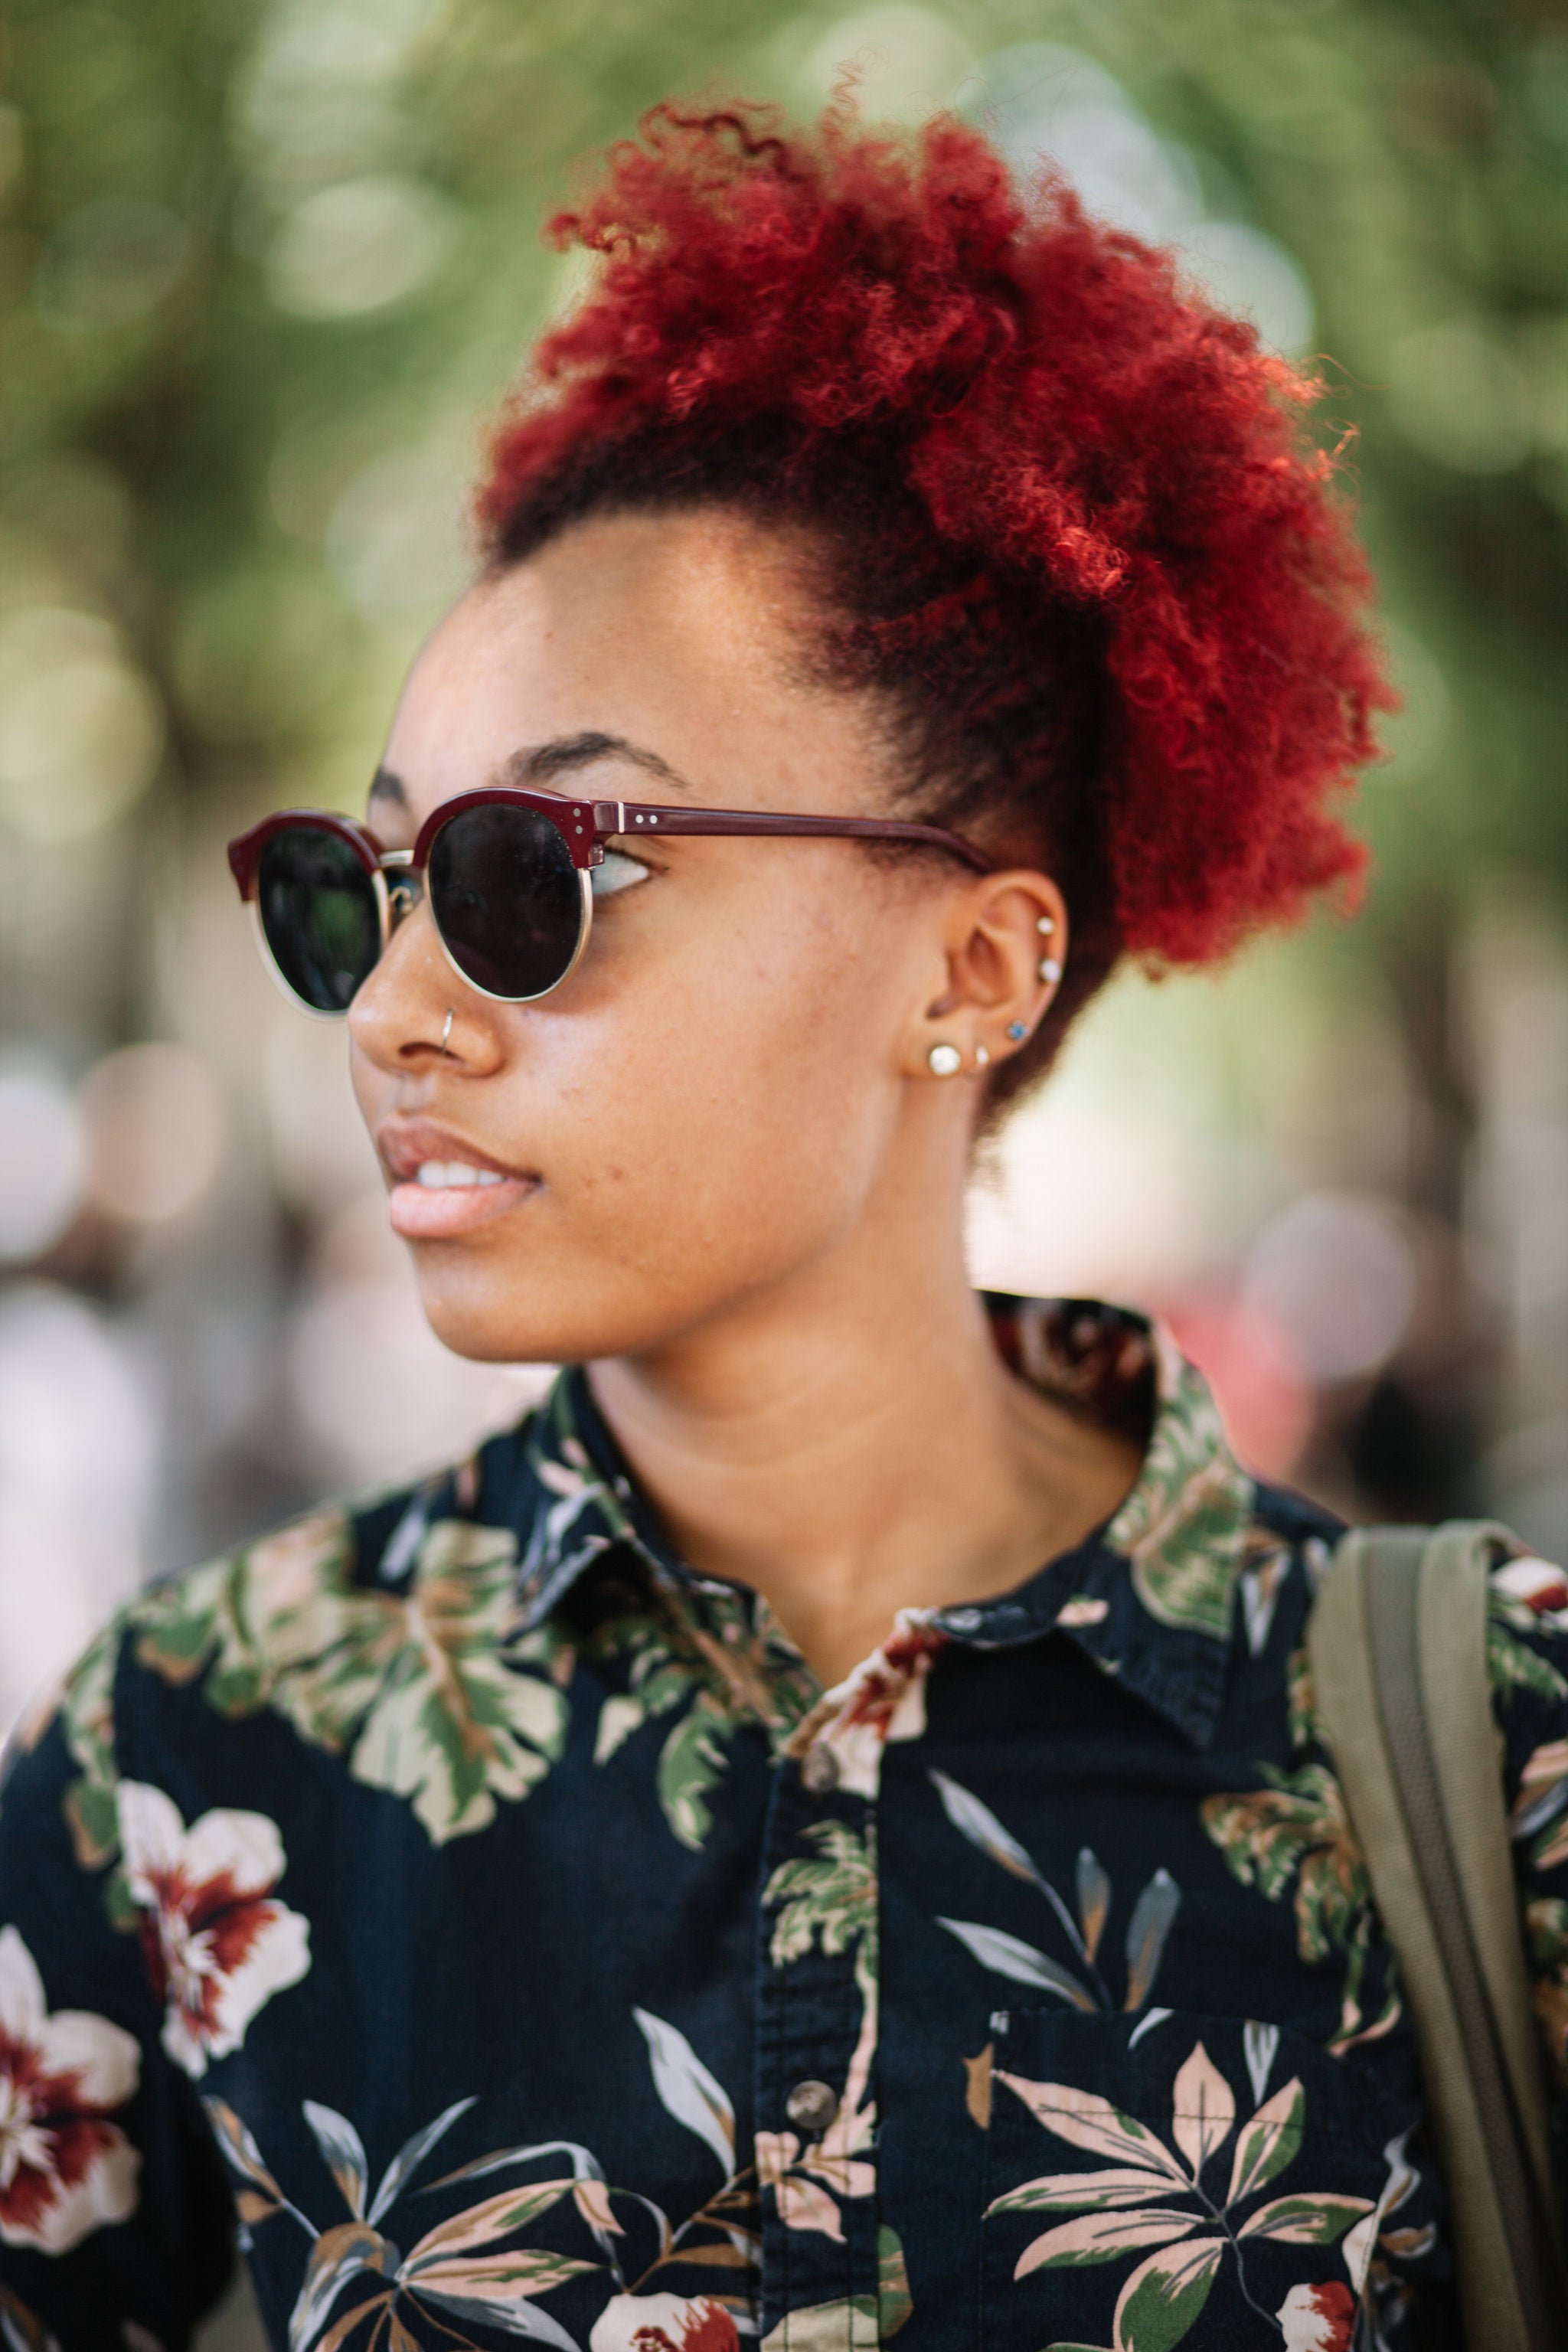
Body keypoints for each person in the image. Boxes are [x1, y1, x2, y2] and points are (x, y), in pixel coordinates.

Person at [2, 96, 1564, 2352]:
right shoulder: (188, 1759)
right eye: (364, 888)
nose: (401, 1015)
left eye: (540, 878)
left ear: (978, 968)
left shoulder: (1488, 1748)